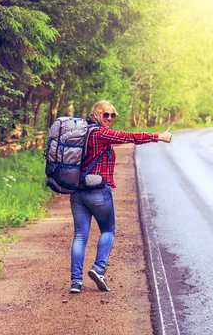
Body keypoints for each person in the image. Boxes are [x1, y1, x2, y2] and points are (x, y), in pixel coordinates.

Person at [70, 100, 172, 293]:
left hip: (77, 192)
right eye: (105, 114)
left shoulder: (81, 133)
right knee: (108, 230)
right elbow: (130, 137)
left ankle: (76, 282)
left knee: (80, 236)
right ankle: (98, 269)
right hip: (99, 191)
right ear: (95, 114)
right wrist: (159, 136)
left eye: (112, 115)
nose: (109, 118)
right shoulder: (101, 133)